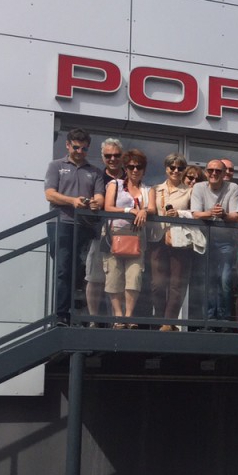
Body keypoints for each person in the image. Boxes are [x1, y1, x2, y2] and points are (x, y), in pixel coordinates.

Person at [43, 128, 105, 325]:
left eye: (84, 148)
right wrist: (72, 201)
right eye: (76, 147)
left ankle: (79, 311)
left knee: (83, 271)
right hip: (61, 223)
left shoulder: (94, 171)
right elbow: (49, 194)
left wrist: (94, 203)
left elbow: (100, 198)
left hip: (86, 226)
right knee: (63, 268)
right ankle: (61, 314)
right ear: (68, 145)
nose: (80, 151)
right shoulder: (56, 166)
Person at [103, 148, 155, 328]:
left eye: (138, 167)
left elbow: (153, 209)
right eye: (131, 166)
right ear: (125, 168)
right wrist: (128, 210)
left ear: (143, 169)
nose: (135, 170)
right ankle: (118, 316)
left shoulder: (148, 190)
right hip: (114, 235)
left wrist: (143, 210)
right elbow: (107, 207)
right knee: (114, 276)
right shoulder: (114, 185)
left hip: (137, 237)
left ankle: (129, 315)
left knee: (134, 277)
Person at [190, 159, 238, 327]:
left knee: (225, 280)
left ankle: (225, 318)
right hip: (205, 240)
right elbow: (196, 214)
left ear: (224, 173)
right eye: (210, 170)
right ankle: (210, 319)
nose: (213, 173)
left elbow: (236, 216)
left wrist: (224, 215)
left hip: (226, 240)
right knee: (209, 280)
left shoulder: (232, 187)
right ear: (206, 172)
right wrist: (211, 213)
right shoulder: (199, 187)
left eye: (218, 171)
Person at [149, 153, 193, 330]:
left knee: (177, 284)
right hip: (158, 239)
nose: (175, 171)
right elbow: (151, 210)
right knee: (157, 284)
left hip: (180, 240)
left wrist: (180, 214)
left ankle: (169, 322)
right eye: (172, 167)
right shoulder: (155, 189)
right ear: (166, 168)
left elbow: (196, 213)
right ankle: (161, 320)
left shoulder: (190, 191)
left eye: (180, 168)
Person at [84, 137, 125, 325]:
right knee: (95, 278)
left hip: (126, 236)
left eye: (116, 155)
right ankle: (94, 319)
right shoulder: (97, 177)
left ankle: (119, 320)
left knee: (121, 281)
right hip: (101, 235)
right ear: (102, 157)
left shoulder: (131, 177)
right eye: (108, 155)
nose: (113, 159)